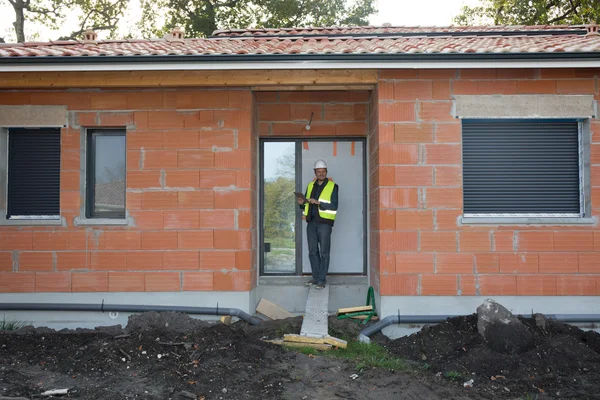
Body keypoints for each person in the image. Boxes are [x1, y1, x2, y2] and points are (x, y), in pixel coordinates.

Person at [297, 159, 339, 290]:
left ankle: (322, 279)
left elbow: (334, 205)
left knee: (324, 252)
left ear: (326, 172)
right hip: (312, 222)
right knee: (312, 251)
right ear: (315, 172)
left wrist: (319, 202)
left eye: (323, 171)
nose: (321, 174)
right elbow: (305, 203)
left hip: (324, 224)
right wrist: (301, 203)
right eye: (318, 171)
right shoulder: (310, 186)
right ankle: (315, 277)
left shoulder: (333, 186)